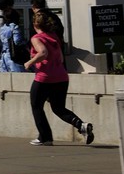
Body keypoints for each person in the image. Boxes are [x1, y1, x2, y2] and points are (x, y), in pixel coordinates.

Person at [23, 8, 93, 146]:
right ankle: (81, 125)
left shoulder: (37, 38)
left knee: (36, 106)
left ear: (35, 25)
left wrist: (29, 62)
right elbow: (60, 58)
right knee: (58, 107)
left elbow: (43, 52)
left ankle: (45, 137)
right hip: (61, 77)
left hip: (44, 77)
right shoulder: (54, 36)